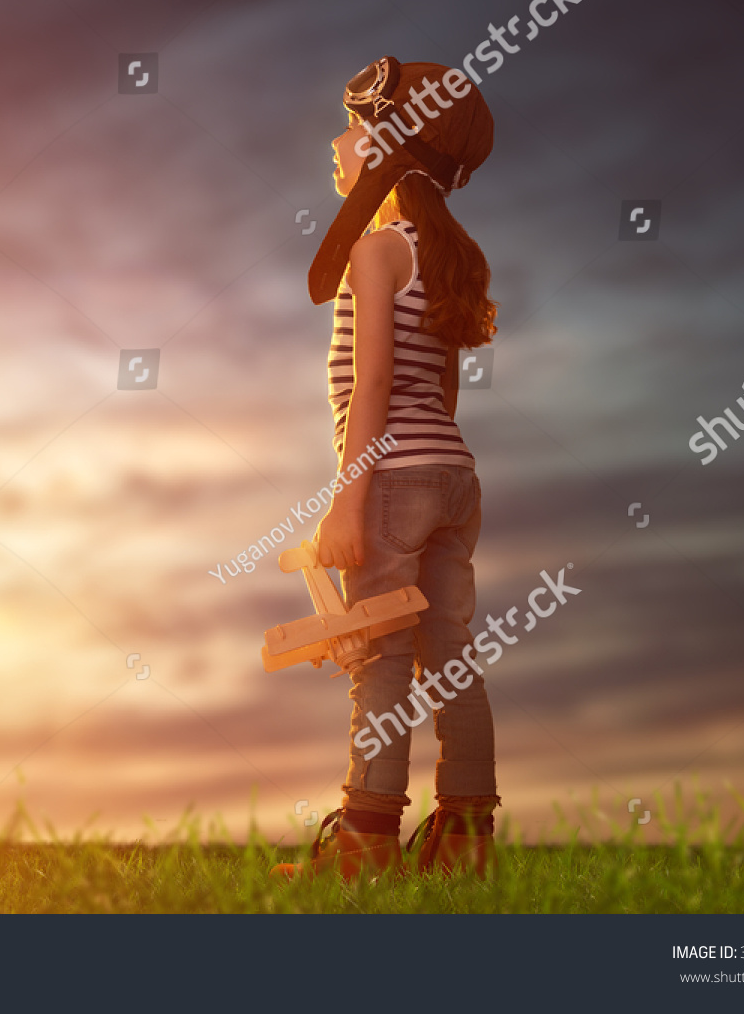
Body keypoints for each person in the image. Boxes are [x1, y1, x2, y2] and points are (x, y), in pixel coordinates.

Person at [280, 57, 501, 881]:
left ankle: (365, 844)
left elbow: (372, 383)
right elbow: (440, 390)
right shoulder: (448, 252)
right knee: (451, 654)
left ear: (387, 146)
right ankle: (466, 841)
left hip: (392, 477)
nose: (337, 144)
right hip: (452, 474)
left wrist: (349, 501)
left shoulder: (375, 251)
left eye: (351, 128)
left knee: (376, 660)